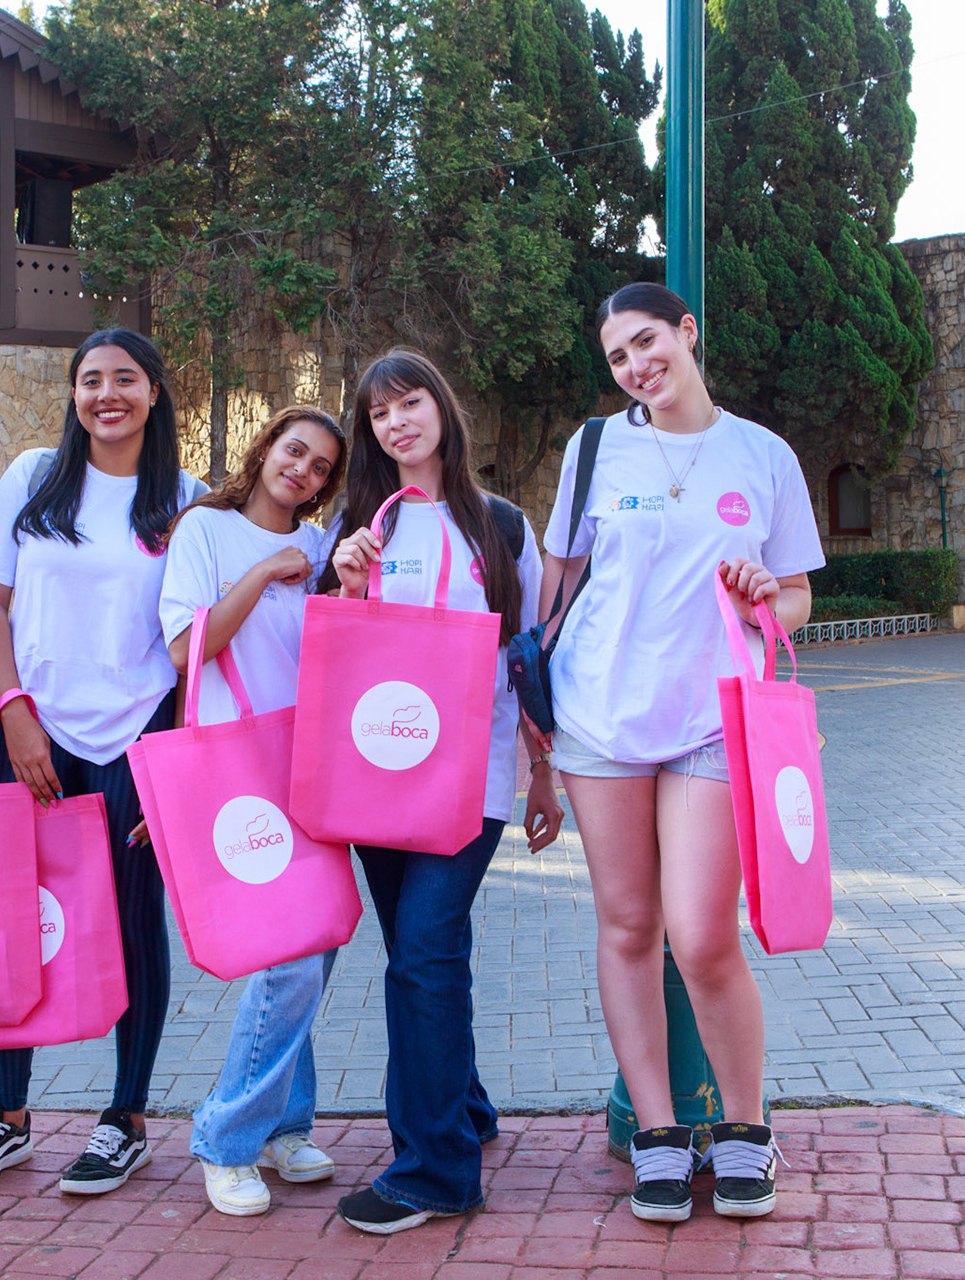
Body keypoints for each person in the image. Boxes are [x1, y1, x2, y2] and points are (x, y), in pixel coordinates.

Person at [539, 282, 822, 1223]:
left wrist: (761, 598)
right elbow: (559, 590)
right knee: (628, 928)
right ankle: (657, 1134)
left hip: (714, 719)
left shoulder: (764, 454)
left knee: (702, 935)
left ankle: (746, 1131)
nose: (636, 366)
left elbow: (796, 601)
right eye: (619, 356)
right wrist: (538, 725)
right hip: (599, 722)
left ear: (687, 333)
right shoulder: (592, 449)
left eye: (648, 342)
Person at [0, 328, 207, 1198]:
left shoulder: (189, 504)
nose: (106, 395)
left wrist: (172, 759)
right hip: (36, 736)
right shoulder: (31, 478)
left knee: (133, 926)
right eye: (90, 381)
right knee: (15, 921)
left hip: (139, 739)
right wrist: (14, 710)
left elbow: (203, 639)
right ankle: (6, 1117)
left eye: (125, 379)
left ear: (156, 392)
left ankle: (124, 1117)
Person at [319, 348, 559, 1235]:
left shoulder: (499, 523)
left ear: (441, 409)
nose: (396, 423)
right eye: (379, 414)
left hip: (474, 777)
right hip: (379, 775)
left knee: (422, 952)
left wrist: (544, 772)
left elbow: (528, 658)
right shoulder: (361, 527)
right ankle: (464, 1111)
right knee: (420, 956)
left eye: (409, 402)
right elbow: (338, 656)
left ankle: (435, 1170)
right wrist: (345, 584)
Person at [157, 405, 349, 1217]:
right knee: (287, 957)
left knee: (320, 938)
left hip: (311, 762)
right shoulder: (204, 531)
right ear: (265, 446)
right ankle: (226, 1136)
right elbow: (185, 650)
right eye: (292, 451)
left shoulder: (322, 550)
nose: (300, 470)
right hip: (239, 766)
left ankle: (283, 1126)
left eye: (318, 468)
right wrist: (264, 573)